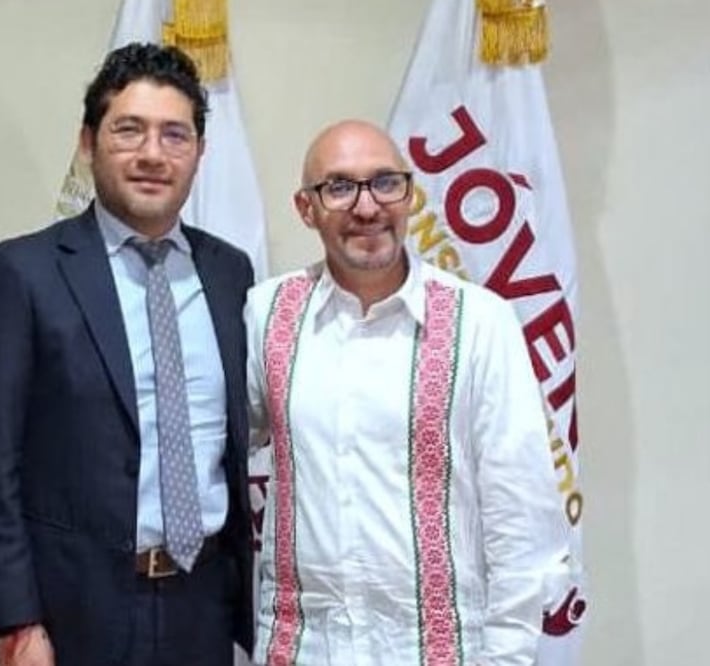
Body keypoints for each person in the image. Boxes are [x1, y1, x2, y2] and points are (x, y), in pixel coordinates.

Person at [0, 42, 255, 666]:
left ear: (199, 153)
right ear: (89, 142)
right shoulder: (23, 273)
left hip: (203, 607)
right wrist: (16, 620)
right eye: (129, 130)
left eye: (175, 134)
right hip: (73, 614)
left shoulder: (230, 273)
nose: (152, 153)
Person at [244, 120, 569, 665]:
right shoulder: (267, 314)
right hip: (303, 650)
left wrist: (508, 658)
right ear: (306, 209)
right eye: (340, 187)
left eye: (385, 183)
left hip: (437, 653)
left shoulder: (480, 322)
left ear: (409, 194)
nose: (367, 207)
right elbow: (216, 445)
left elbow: (521, 515)